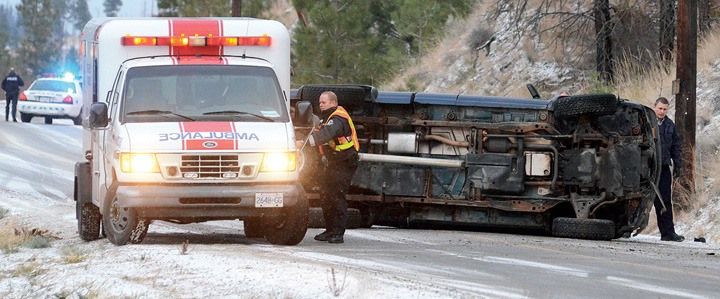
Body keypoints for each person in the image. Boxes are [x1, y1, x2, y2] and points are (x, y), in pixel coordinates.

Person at [296, 91, 359, 244]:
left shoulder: (338, 118)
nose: (320, 105)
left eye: (323, 102)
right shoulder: (327, 118)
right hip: (334, 163)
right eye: (320, 102)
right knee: (326, 195)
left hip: (344, 162)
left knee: (337, 196)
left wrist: (304, 142)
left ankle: (338, 233)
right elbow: (318, 132)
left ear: (333, 103)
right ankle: (330, 230)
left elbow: (325, 134)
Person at [653, 97, 684, 242]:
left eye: (665, 109)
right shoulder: (647, 123)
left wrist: (677, 165)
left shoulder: (670, 125)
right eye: (660, 108)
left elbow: (676, 146)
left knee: (665, 200)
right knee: (638, 198)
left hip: (664, 167)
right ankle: (627, 229)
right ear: (654, 107)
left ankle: (667, 233)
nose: (662, 111)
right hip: (647, 167)